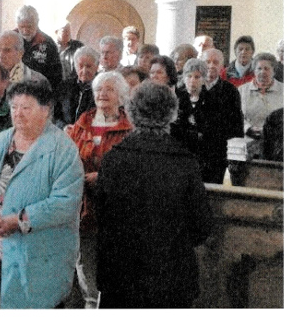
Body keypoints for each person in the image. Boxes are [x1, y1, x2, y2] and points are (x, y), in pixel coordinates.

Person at [96, 81, 213, 308]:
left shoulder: (114, 159)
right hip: (170, 279)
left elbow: (103, 217)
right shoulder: (184, 162)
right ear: (172, 114)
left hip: (121, 278)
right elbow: (201, 227)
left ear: (131, 113)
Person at [0, 80, 83, 309]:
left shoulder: (63, 149)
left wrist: (19, 220)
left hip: (41, 253)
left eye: (26, 108)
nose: (18, 113)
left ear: (46, 110)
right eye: (14, 107)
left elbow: (65, 203)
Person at [66, 71, 132, 308]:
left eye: (109, 89)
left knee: (115, 274)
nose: (102, 94)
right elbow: (67, 158)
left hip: (115, 210)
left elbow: (132, 169)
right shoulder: (83, 122)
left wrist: (104, 178)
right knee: (86, 269)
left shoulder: (129, 128)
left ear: (121, 96)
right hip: (84, 208)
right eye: (98, 90)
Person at [175, 58, 241, 183]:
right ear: (183, 78)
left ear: (204, 79)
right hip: (183, 156)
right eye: (189, 76)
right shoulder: (177, 100)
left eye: (197, 77)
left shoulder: (214, 100)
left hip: (209, 159)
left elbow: (218, 130)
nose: (192, 81)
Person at [200, 48, 244, 173]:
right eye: (207, 62)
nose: (211, 66)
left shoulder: (230, 91)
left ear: (222, 67)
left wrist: (235, 158)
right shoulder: (191, 88)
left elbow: (236, 126)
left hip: (218, 155)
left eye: (215, 62)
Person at [238, 53, 284, 145]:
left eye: (266, 69)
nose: (262, 72)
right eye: (259, 68)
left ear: (274, 71)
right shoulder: (242, 90)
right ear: (254, 71)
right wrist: (248, 128)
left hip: (278, 144)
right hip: (247, 143)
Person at [15, 5, 63, 92]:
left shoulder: (47, 43)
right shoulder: (10, 39)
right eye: (22, 27)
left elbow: (57, 76)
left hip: (39, 92)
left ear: (37, 23)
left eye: (29, 27)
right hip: (14, 91)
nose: (25, 31)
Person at [56, 46, 99, 127]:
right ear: (76, 67)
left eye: (89, 66)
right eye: (81, 66)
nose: (84, 70)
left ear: (96, 67)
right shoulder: (64, 86)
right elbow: (55, 115)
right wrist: (64, 128)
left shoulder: (101, 88)